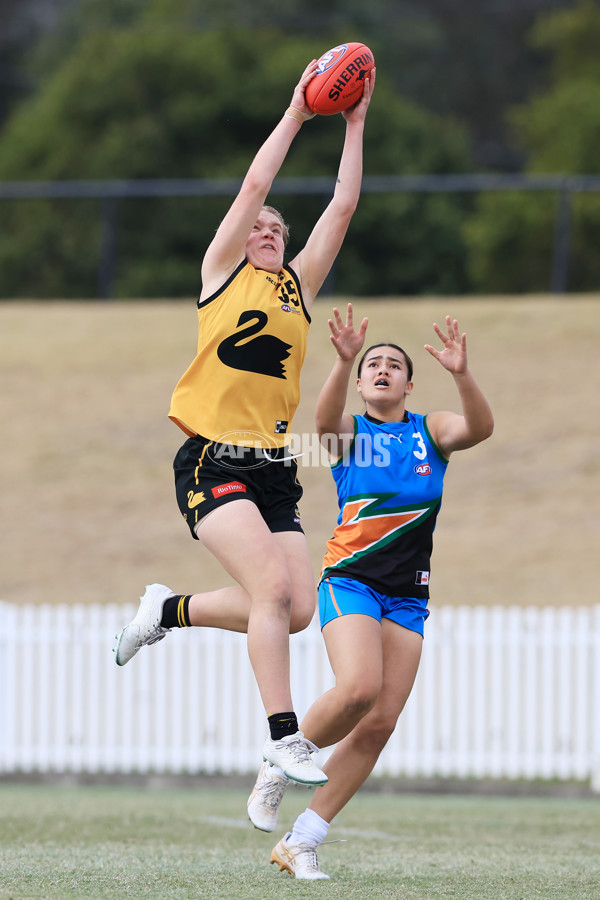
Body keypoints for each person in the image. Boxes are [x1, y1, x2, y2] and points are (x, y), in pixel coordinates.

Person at [112, 63, 376, 787]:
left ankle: (168, 609)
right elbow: (254, 187)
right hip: (211, 460)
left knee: (292, 609)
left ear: (285, 246)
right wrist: (296, 112)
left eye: (274, 230)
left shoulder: (297, 284)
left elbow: (343, 208)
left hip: (273, 467)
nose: (263, 228)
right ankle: (284, 736)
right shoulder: (222, 270)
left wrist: (354, 123)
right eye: (256, 226)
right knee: (269, 592)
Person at [247, 303, 494, 879]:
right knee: (358, 689)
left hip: (407, 594)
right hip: (350, 581)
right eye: (373, 365)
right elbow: (323, 420)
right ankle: (281, 761)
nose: (382, 370)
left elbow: (479, 428)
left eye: (394, 365)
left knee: (379, 724)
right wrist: (341, 359)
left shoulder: (430, 431)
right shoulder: (352, 434)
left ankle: (302, 840)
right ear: (362, 383)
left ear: (410, 383)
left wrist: (462, 373)